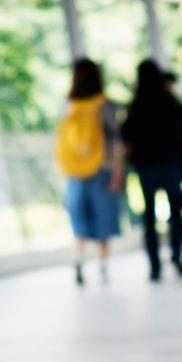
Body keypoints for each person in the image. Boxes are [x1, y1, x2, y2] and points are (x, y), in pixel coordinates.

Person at [122, 59, 182, 280]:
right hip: (171, 164)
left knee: (149, 218)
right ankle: (177, 256)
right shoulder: (169, 101)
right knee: (175, 213)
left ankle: (154, 266)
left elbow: (127, 137)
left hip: (146, 168)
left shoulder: (135, 105)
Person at [57, 58, 125, 285]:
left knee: (79, 216)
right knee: (103, 216)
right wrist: (117, 171)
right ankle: (103, 266)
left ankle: (78, 258)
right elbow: (115, 139)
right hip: (101, 168)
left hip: (74, 171)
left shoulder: (68, 105)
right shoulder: (104, 104)